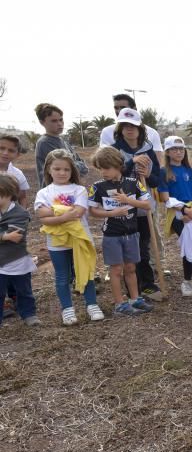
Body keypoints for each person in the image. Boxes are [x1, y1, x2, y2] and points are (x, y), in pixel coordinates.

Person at [35, 150, 105, 325]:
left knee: (86, 272)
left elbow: (79, 212)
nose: (61, 173)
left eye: (66, 169)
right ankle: (67, 309)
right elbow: (42, 217)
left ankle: (92, 304)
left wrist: (54, 215)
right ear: (49, 170)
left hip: (79, 240)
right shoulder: (43, 192)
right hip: (57, 244)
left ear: (72, 171)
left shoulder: (80, 190)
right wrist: (65, 215)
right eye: (57, 169)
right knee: (62, 277)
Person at [88, 147, 154, 317]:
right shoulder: (97, 187)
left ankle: (135, 299)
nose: (103, 172)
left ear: (118, 165)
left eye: (106, 168)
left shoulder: (133, 182)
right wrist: (112, 213)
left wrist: (127, 200)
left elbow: (148, 206)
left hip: (132, 233)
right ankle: (119, 304)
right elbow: (92, 211)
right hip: (112, 235)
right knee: (116, 270)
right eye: (100, 168)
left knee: (131, 268)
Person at [110, 108, 165, 301]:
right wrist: (132, 161)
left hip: (143, 206)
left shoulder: (148, 149)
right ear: (120, 128)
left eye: (133, 125)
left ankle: (147, 284)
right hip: (123, 206)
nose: (129, 129)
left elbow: (158, 180)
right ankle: (132, 288)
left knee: (143, 246)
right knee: (128, 247)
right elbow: (113, 174)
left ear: (140, 128)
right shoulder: (115, 150)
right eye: (125, 125)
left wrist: (149, 175)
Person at [158, 136, 192, 299]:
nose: (179, 152)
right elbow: (165, 197)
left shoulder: (188, 170)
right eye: (174, 149)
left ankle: (187, 281)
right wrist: (185, 210)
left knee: (188, 245)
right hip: (177, 213)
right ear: (167, 152)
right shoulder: (164, 172)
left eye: (181, 149)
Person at [0, 175, 39, 327]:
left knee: (24, 290)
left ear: (9, 194)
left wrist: (6, 236)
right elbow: (8, 235)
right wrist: (5, 235)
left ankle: (29, 314)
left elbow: (16, 236)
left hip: (17, 260)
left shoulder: (20, 213)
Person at [0, 135, 31, 320]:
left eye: (11, 150)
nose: (5, 152)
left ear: (17, 154)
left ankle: (15, 297)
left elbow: (23, 197)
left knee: (13, 259)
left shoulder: (16, 173)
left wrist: (23, 218)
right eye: (1, 148)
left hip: (13, 223)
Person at [34, 103, 89, 187]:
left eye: (61, 120)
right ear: (42, 123)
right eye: (54, 121)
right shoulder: (45, 142)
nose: (59, 123)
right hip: (54, 194)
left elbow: (84, 167)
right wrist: (74, 165)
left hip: (68, 191)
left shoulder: (64, 141)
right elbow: (67, 168)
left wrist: (75, 165)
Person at [99, 93, 164, 162]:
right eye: (116, 108)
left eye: (123, 107)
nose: (118, 111)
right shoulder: (107, 132)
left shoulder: (152, 133)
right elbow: (104, 162)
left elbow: (158, 161)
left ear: (134, 109)